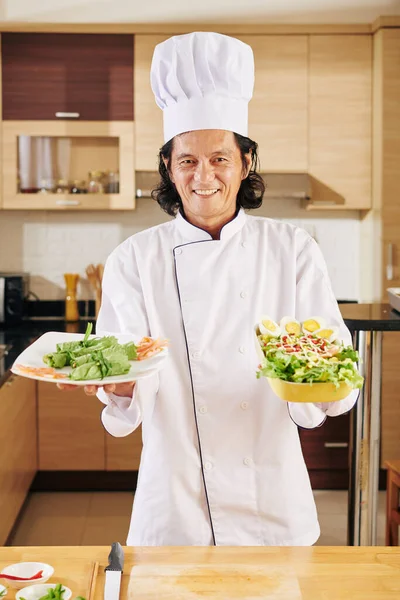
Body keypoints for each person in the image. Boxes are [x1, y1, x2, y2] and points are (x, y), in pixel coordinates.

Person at [61, 32, 358, 546]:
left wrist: (317, 380)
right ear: (170, 171)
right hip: (175, 500)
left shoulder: (292, 249)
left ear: (245, 164)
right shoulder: (134, 258)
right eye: (187, 161)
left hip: (272, 495)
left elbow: (334, 368)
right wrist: (115, 384)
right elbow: (125, 374)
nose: (204, 176)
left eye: (220, 158)